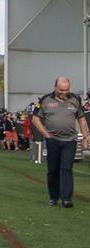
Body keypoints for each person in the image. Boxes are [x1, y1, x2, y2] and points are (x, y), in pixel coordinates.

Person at [30, 77, 90, 208]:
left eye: (67, 89)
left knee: (67, 168)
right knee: (53, 170)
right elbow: (35, 119)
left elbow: (82, 119)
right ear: (55, 87)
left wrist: (85, 137)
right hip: (53, 141)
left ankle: (66, 198)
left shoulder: (75, 99)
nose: (64, 92)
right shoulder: (45, 100)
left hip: (70, 140)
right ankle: (53, 196)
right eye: (61, 89)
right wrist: (46, 134)